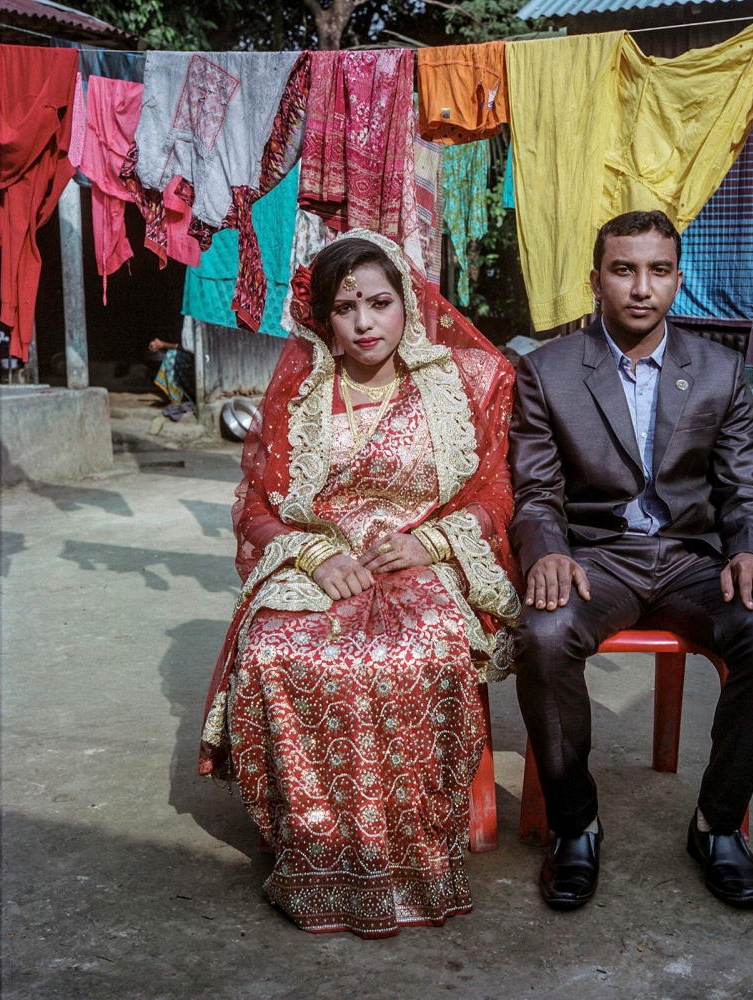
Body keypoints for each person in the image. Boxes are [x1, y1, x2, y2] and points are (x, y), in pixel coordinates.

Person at [198, 230, 520, 937]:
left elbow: (494, 493)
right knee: (280, 654)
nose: (366, 322)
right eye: (347, 308)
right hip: (320, 559)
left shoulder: (454, 386)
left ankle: (416, 859)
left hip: (422, 561)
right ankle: (312, 850)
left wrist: (427, 541)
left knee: (419, 655)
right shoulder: (303, 393)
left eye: (380, 302)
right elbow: (256, 507)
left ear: (408, 306)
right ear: (323, 319)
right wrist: (312, 558)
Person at [509, 210, 753, 912]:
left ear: (677, 278)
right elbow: (536, 490)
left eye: (659, 270)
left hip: (691, 559)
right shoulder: (546, 372)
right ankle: (574, 825)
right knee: (543, 636)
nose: (642, 287)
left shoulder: (719, 370)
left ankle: (718, 826)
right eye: (624, 269)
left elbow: (743, 490)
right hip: (597, 558)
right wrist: (547, 553)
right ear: (595, 280)